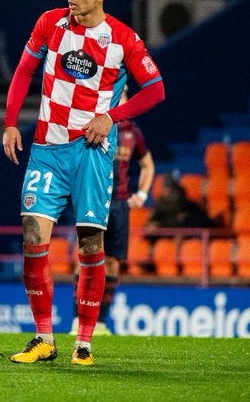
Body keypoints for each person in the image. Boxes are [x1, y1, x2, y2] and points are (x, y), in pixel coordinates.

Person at [2, 0, 165, 367]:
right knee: (31, 236)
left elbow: (156, 89)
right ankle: (43, 338)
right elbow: (24, 71)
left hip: (91, 152)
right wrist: (9, 123)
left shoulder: (122, 39)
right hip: (47, 147)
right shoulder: (50, 23)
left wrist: (112, 115)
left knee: (91, 243)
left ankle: (84, 341)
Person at [72, 112, 154, 336]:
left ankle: (101, 324)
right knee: (85, 257)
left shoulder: (132, 132)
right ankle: (77, 321)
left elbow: (147, 164)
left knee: (113, 263)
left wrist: (142, 194)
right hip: (94, 197)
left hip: (119, 203)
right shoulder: (94, 124)